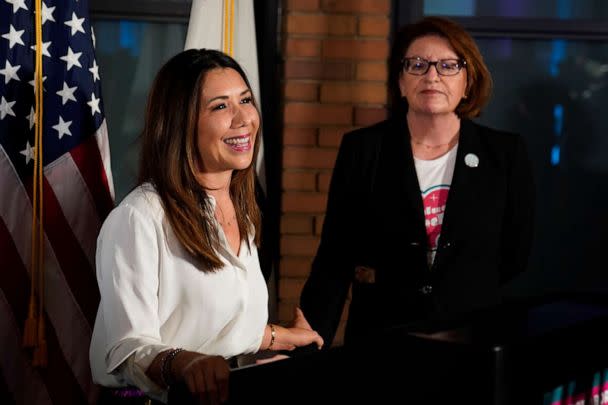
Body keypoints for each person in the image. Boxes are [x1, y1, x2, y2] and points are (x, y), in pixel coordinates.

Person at [90, 49, 323, 405]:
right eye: (220, 106)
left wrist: (279, 337)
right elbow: (126, 348)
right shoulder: (140, 217)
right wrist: (185, 364)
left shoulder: (241, 210)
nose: (243, 117)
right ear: (181, 122)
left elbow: (207, 324)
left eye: (245, 100)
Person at [299, 16, 535, 347]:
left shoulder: (504, 154)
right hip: (382, 337)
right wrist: (308, 343)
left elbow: (516, 255)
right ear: (400, 81)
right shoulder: (364, 149)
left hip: (471, 335)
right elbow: (335, 258)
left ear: (468, 82)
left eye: (448, 66)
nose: (432, 76)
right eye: (418, 65)